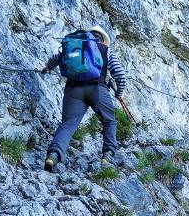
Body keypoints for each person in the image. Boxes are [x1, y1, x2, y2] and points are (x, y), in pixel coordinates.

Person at [39, 26, 127, 172]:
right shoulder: (106, 50)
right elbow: (120, 74)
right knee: (109, 120)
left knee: (68, 124)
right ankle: (108, 155)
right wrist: (120, 93)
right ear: (102, 40)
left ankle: (53, 155)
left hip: (73, 90)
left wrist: (47, 68)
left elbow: (56, 58)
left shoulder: (76, 45)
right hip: (97, 90)